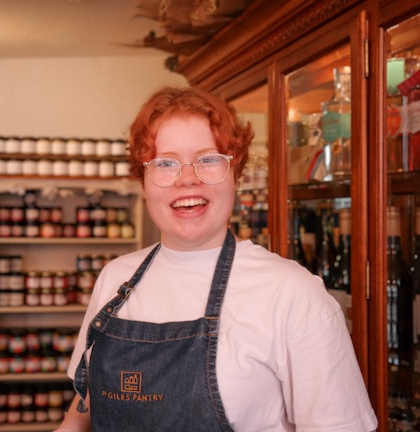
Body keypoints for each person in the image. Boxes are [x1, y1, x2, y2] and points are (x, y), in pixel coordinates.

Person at [54, 86, 378, 431]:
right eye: (166, 163)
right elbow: (83, 409)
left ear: (236, 175)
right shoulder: (115, 279)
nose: (188, 178)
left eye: (208, 159)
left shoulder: (294, 294)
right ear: (143, 182)